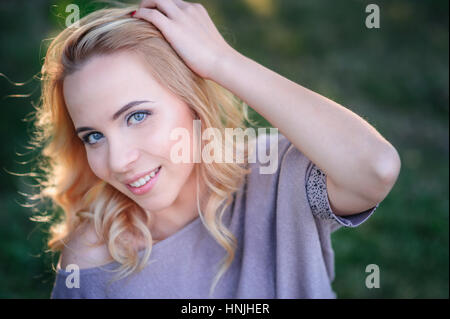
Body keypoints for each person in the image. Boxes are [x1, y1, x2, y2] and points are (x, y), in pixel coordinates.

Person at [28, 1, 400, 298]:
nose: (118, 161)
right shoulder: (95, 256)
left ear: (192, 102)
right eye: (93, 136)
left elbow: (375, 168)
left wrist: (222, 61)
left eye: (137, 116)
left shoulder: (276, 174)